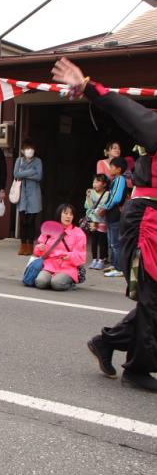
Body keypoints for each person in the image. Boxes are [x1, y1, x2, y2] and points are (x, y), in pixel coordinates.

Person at [53, 56, 157, 392]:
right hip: (146, 219)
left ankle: (107, 342)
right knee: (152, 298)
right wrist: (88, 87)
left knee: (153, 300)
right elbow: (128, 111)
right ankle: (137, 367)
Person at [33, 204, 87, 291]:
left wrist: (70, 256)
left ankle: (69, 282)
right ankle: (51, 280)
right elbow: (37, 251)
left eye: (71, 214)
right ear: (59, 214)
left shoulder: (79, 233)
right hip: (49, 265)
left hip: (68, 267)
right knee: (40, 282)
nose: (68, 216)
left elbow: (81, 255)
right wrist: (39, 248)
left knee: (57, 284)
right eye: (65, 213)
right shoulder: (49, 228)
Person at [98, 156, 128, 278]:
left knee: (116, 243)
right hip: (112, 214)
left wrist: (105, 207)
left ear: (119, 169)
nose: (110, 169)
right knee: (112, 242)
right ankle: (115, 265)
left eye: (112, 167)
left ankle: (120, 268)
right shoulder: (116, 179)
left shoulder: (120, 179)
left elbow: (115, 198)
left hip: (115, 213)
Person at [13, 138, 42, 255]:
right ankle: (23, 245)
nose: (29, 151)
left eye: (31, 149)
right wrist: (31, 172)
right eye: (27, 149)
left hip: (34, 195)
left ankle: (30, 245)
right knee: (23, 221)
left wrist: (24, 174)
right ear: (22, 150)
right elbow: (15, 174)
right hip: (22, 195)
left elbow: (39, 177)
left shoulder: (38, 161)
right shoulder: (19, 161)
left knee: (31, 221)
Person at [84, 173, 109, 270]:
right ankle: (94, 259)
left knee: (102, 240)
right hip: (92, 220)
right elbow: (88, 206)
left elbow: (102, 207)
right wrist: (88, 197)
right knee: (94, 240)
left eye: (98, 181)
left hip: (102, 220)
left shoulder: (107, 194)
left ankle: (101, 260)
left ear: (104, 184)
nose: (94, 184)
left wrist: (93, 212)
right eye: (94, 181)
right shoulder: (91, 192)